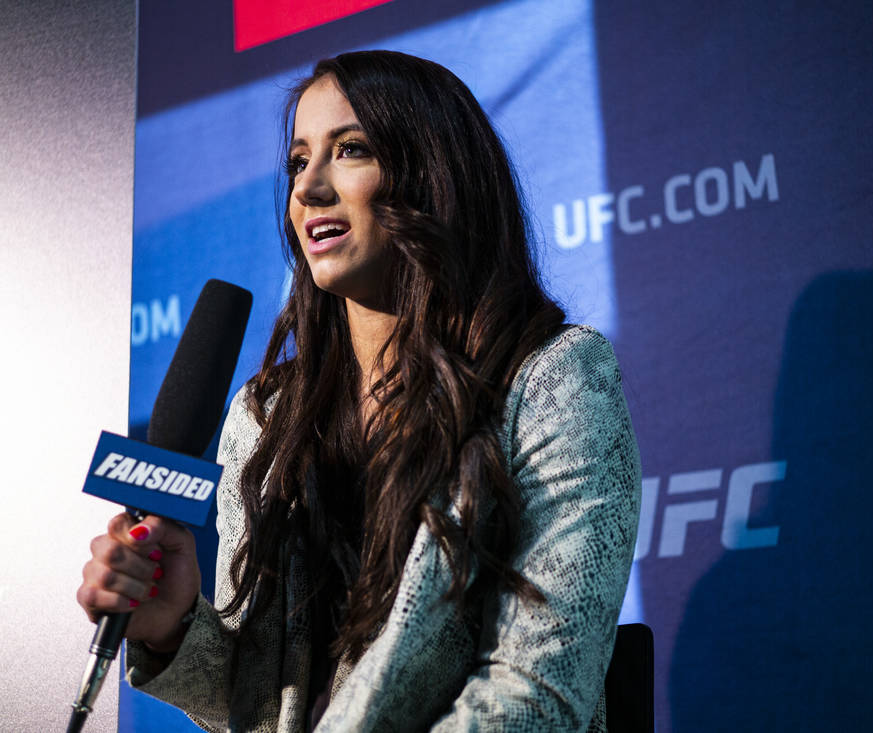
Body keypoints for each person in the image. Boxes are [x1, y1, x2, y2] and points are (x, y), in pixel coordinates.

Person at [77, 50, 641, 732]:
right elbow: (253, 702)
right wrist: (172, 628)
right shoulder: (266, 417)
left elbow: (538, 695)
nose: (308, 187)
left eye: (350, 150)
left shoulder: (553, 378)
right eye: (297, 161)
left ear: (435, 177)